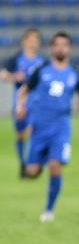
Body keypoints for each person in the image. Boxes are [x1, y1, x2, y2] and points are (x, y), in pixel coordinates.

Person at [16, 32, 79, 222]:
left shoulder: (75, 74)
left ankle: (49, 210)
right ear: (51, 48)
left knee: (55, 165)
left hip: (60, 129)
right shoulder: (42, 70)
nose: (60, 48)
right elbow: (24, 90)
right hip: (39, 127)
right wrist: (20, 106)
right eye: (57, 45)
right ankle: (42, 160)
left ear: (69, 48)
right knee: (32, 172)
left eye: (64, 45)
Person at [0, 28, 45, 177]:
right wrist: (14, 76)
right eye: (31, 39)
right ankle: (22, 162)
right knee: (20, 134)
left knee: (34, 131)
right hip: (20, 103)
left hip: (37, 103)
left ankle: (33, 163)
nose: (33, 43)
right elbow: (3, 74)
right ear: (24, 42)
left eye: (36, 40)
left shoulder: (42, 62)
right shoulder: (17, 59)